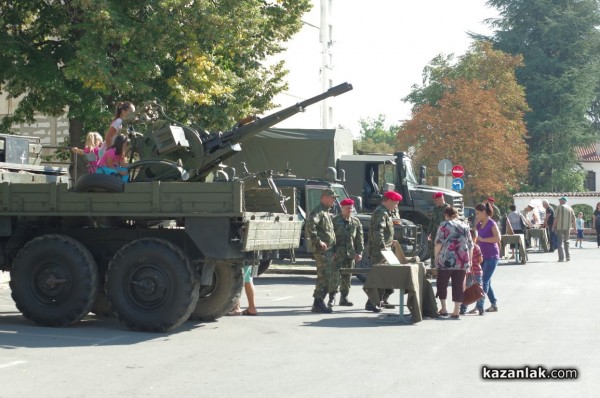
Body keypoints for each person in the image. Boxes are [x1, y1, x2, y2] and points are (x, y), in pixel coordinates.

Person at [363, 190, 402, 313]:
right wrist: (382, 245)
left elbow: (385, 232)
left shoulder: (386, 212)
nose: (396, 206)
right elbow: (377, 231)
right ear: (389, 201)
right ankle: (372, 302)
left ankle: (382, 299)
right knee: (380, 276)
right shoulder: (380, 212)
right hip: (379, 251)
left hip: (386, 249)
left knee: (387, 276)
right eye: (395, 203)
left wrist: (391, 241)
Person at [434, 206, 473, 319]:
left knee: (442, 284)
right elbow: (470, 245)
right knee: (459, 285)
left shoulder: (444, 225)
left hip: (446, 259)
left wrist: (436, 256)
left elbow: (438, 243)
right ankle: (456, 310)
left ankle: (444, 308)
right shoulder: (465, 226)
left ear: (446, 214)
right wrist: (469, 260)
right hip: (461, 259)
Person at [306, 188, 338, 314]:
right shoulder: (319, 211)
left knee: (326, 276)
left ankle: (318, 302)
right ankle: (318, 302)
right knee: (323, 276)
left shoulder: (326, 212)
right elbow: (310, 225)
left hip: (329, 251)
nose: (334, 200)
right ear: (324, 197)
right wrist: (319, 242)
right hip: (322, 251)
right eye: (332, 197)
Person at [329, 198, 364, 307]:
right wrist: (331, 252)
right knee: (335, 276)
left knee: (347, 277)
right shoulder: (335, 221)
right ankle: (332, 298)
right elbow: (330, 238)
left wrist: (359, 252)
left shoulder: (356, 222)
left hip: (350, 254)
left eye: (351, 208)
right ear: (342, 208)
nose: (349, 210)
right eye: (347, 208)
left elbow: (359, 238)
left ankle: (344, 298)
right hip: (338, 254)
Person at [475, 202, 501, 312]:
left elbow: (498, 238)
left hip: (492, 256)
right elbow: (474, 234)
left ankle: (480, 304)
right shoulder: (479, 223)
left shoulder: (492, 223)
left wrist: (483, 240)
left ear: (484, 212)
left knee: (484, 281)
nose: (476, 215)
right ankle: (494, 304)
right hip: (482, 255)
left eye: (478, 213)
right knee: (487, 281)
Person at [461, 228, 484, 316]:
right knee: (479, 290)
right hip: (477, 272)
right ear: (475, 238)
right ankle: (480, 308)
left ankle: (463, 308)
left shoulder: (464, 247)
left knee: (466, 290)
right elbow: (480, 259)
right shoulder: (477, 247)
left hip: (467, 273)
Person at [428, 191, 450, 268]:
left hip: (443, 235)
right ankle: (433, 268)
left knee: (442, 252)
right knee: (433, 252)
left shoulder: (448, 209)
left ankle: (441, 269)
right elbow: (432, 221)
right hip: (434, 234)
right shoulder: (435, 208)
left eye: (436, 200)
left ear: (441, 199)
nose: (435, 202)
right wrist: (429, 232)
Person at [553, 196, 576, 262]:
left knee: (559, 243)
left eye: (560, 200)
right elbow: (574, 219)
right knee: (566, 242)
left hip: (559, 227)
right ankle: (568, 257)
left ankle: (561, 258)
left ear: (562, 201)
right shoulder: (570, 208)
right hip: (568, 227)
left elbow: (556, 218)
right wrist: (575, 228)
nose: (559, 201)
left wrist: (553, 227)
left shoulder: (559, 207)